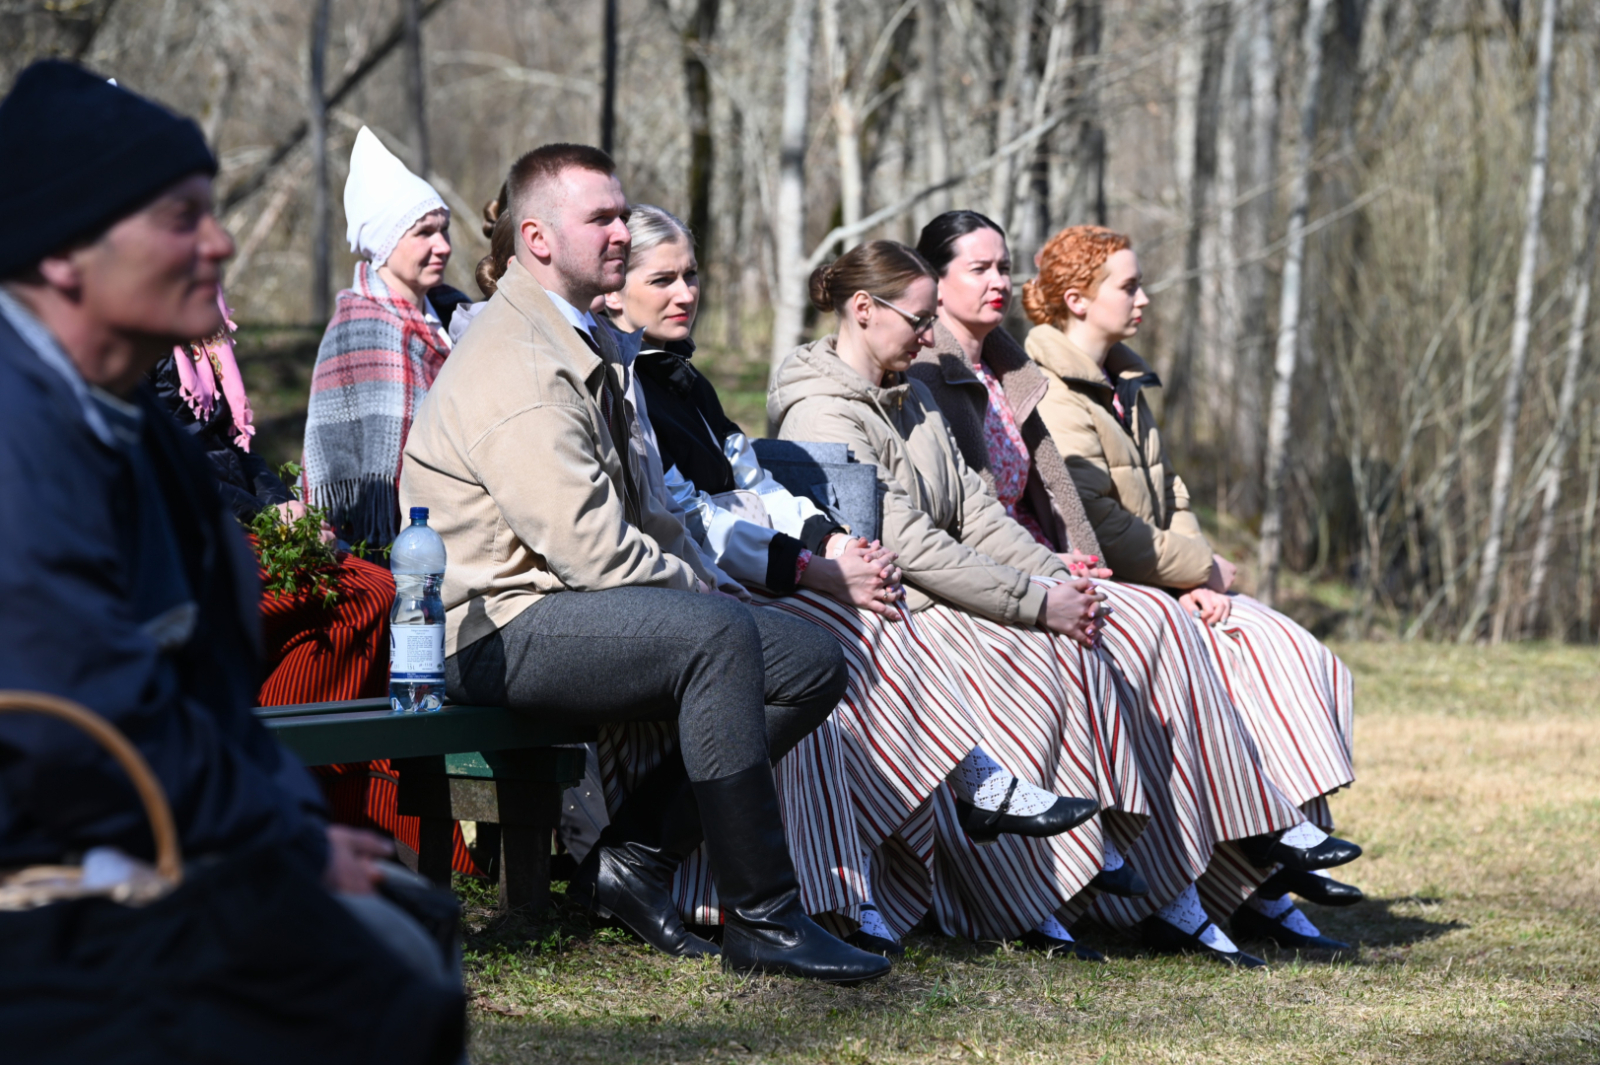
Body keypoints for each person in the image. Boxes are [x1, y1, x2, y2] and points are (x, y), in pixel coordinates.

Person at [0, 60, 460, 1054]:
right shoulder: (17, 429)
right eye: (180, 218)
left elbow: (214, 700)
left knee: (408, 940)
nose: (220, 242)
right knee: (382, 978)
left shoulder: (141, 429)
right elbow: (77, 713)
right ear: (66, 253)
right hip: (46, 873)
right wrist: (278, 847)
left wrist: (301, 829)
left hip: (140, 838)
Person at [398, 143, 888, 984]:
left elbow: (656, 515)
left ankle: (637, 859)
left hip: (570, 609)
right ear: (538, 238)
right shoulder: (519, 361)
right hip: (493, 629)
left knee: (810, 660)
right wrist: (705, 596)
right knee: (715, 635)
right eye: (602, 218)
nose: (623, 231)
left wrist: (703, 574)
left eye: (623, 214)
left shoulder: (588, 342)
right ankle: (764, 916)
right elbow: (589, 547)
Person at [909, 209, 1351, 962]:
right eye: (977, 268)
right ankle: (1176, 867)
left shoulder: (1011, 366)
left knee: (1283, 643)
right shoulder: (933, 369)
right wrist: (1083, 574)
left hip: (1051, 564)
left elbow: (1086, 497)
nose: (998, 281)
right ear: (934, 281)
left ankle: (1254, 862)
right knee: (1156, 633)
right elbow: (970, 511)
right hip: (992, 576)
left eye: (1001, 265)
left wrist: (1187, 573)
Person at [770, 239, 1154, 957]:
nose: (927, 336)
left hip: (932, 586)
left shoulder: (911, 392)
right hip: (887, 600)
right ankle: (1031, 887)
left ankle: (1090, 867)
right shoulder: (821, 413)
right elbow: (905, 542)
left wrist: (1054, 578)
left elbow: (976, 510)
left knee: (1091, 632)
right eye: (917, 320)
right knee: (1031, 656)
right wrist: (1033, 604)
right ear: (862, 310)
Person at [1021, 223, 1364, 946]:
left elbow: (1170, 493)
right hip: (1108, 579)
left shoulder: (1125, 380)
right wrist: (1195, 572)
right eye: (1129, 285)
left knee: (1290, 646)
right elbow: (1096, 523)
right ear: (1078, 299)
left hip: (1166, 578)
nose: (1143, 298)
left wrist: (1201, 573)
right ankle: (1264, 844)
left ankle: (1274, 859)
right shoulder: (1048, 388)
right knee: (1229, 658)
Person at [150, 301, 483, 877]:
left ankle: (333, 811)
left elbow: (232, 451)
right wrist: (262, 516)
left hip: (235, 525)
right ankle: (291, 801)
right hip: (183, 542)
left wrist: (287, 507)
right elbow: (173, 461)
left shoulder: (204, 344)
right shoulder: (141, 342)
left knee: (379, 586)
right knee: (362, 595)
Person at [304, 126, 469, 552]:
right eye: (423, 233)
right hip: (393, 539)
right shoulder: (360, 326)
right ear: (385, 243)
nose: (442, 245)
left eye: (444, 229)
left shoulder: (456, 314)